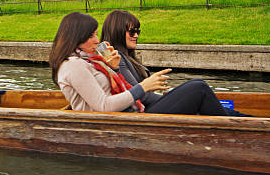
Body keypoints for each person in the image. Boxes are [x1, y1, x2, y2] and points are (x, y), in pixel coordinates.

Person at [49, 12, 228, 115]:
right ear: (75, 37)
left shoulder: (90, 61)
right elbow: (104, 106)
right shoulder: (73, 65)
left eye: (96, 34)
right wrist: (143, 87)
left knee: (198, 87)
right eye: (91, 35)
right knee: (198, 88)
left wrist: (115, 68)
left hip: (130, 115)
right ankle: (231, 129)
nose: (97, 40)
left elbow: (116, 90)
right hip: (117, 124)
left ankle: (236, 122)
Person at [101, 10, 249, 116]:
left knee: (205, 95)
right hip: (144, 115)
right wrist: (173, 98)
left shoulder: (128, 57)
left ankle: (248, 121)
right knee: (199, 87)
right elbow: (139, 96)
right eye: (132, 32)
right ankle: (235, 130)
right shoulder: (117, 59)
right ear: (118, 32)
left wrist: (174, 96)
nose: (136, 36)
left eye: (138, 31)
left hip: (151, 107)